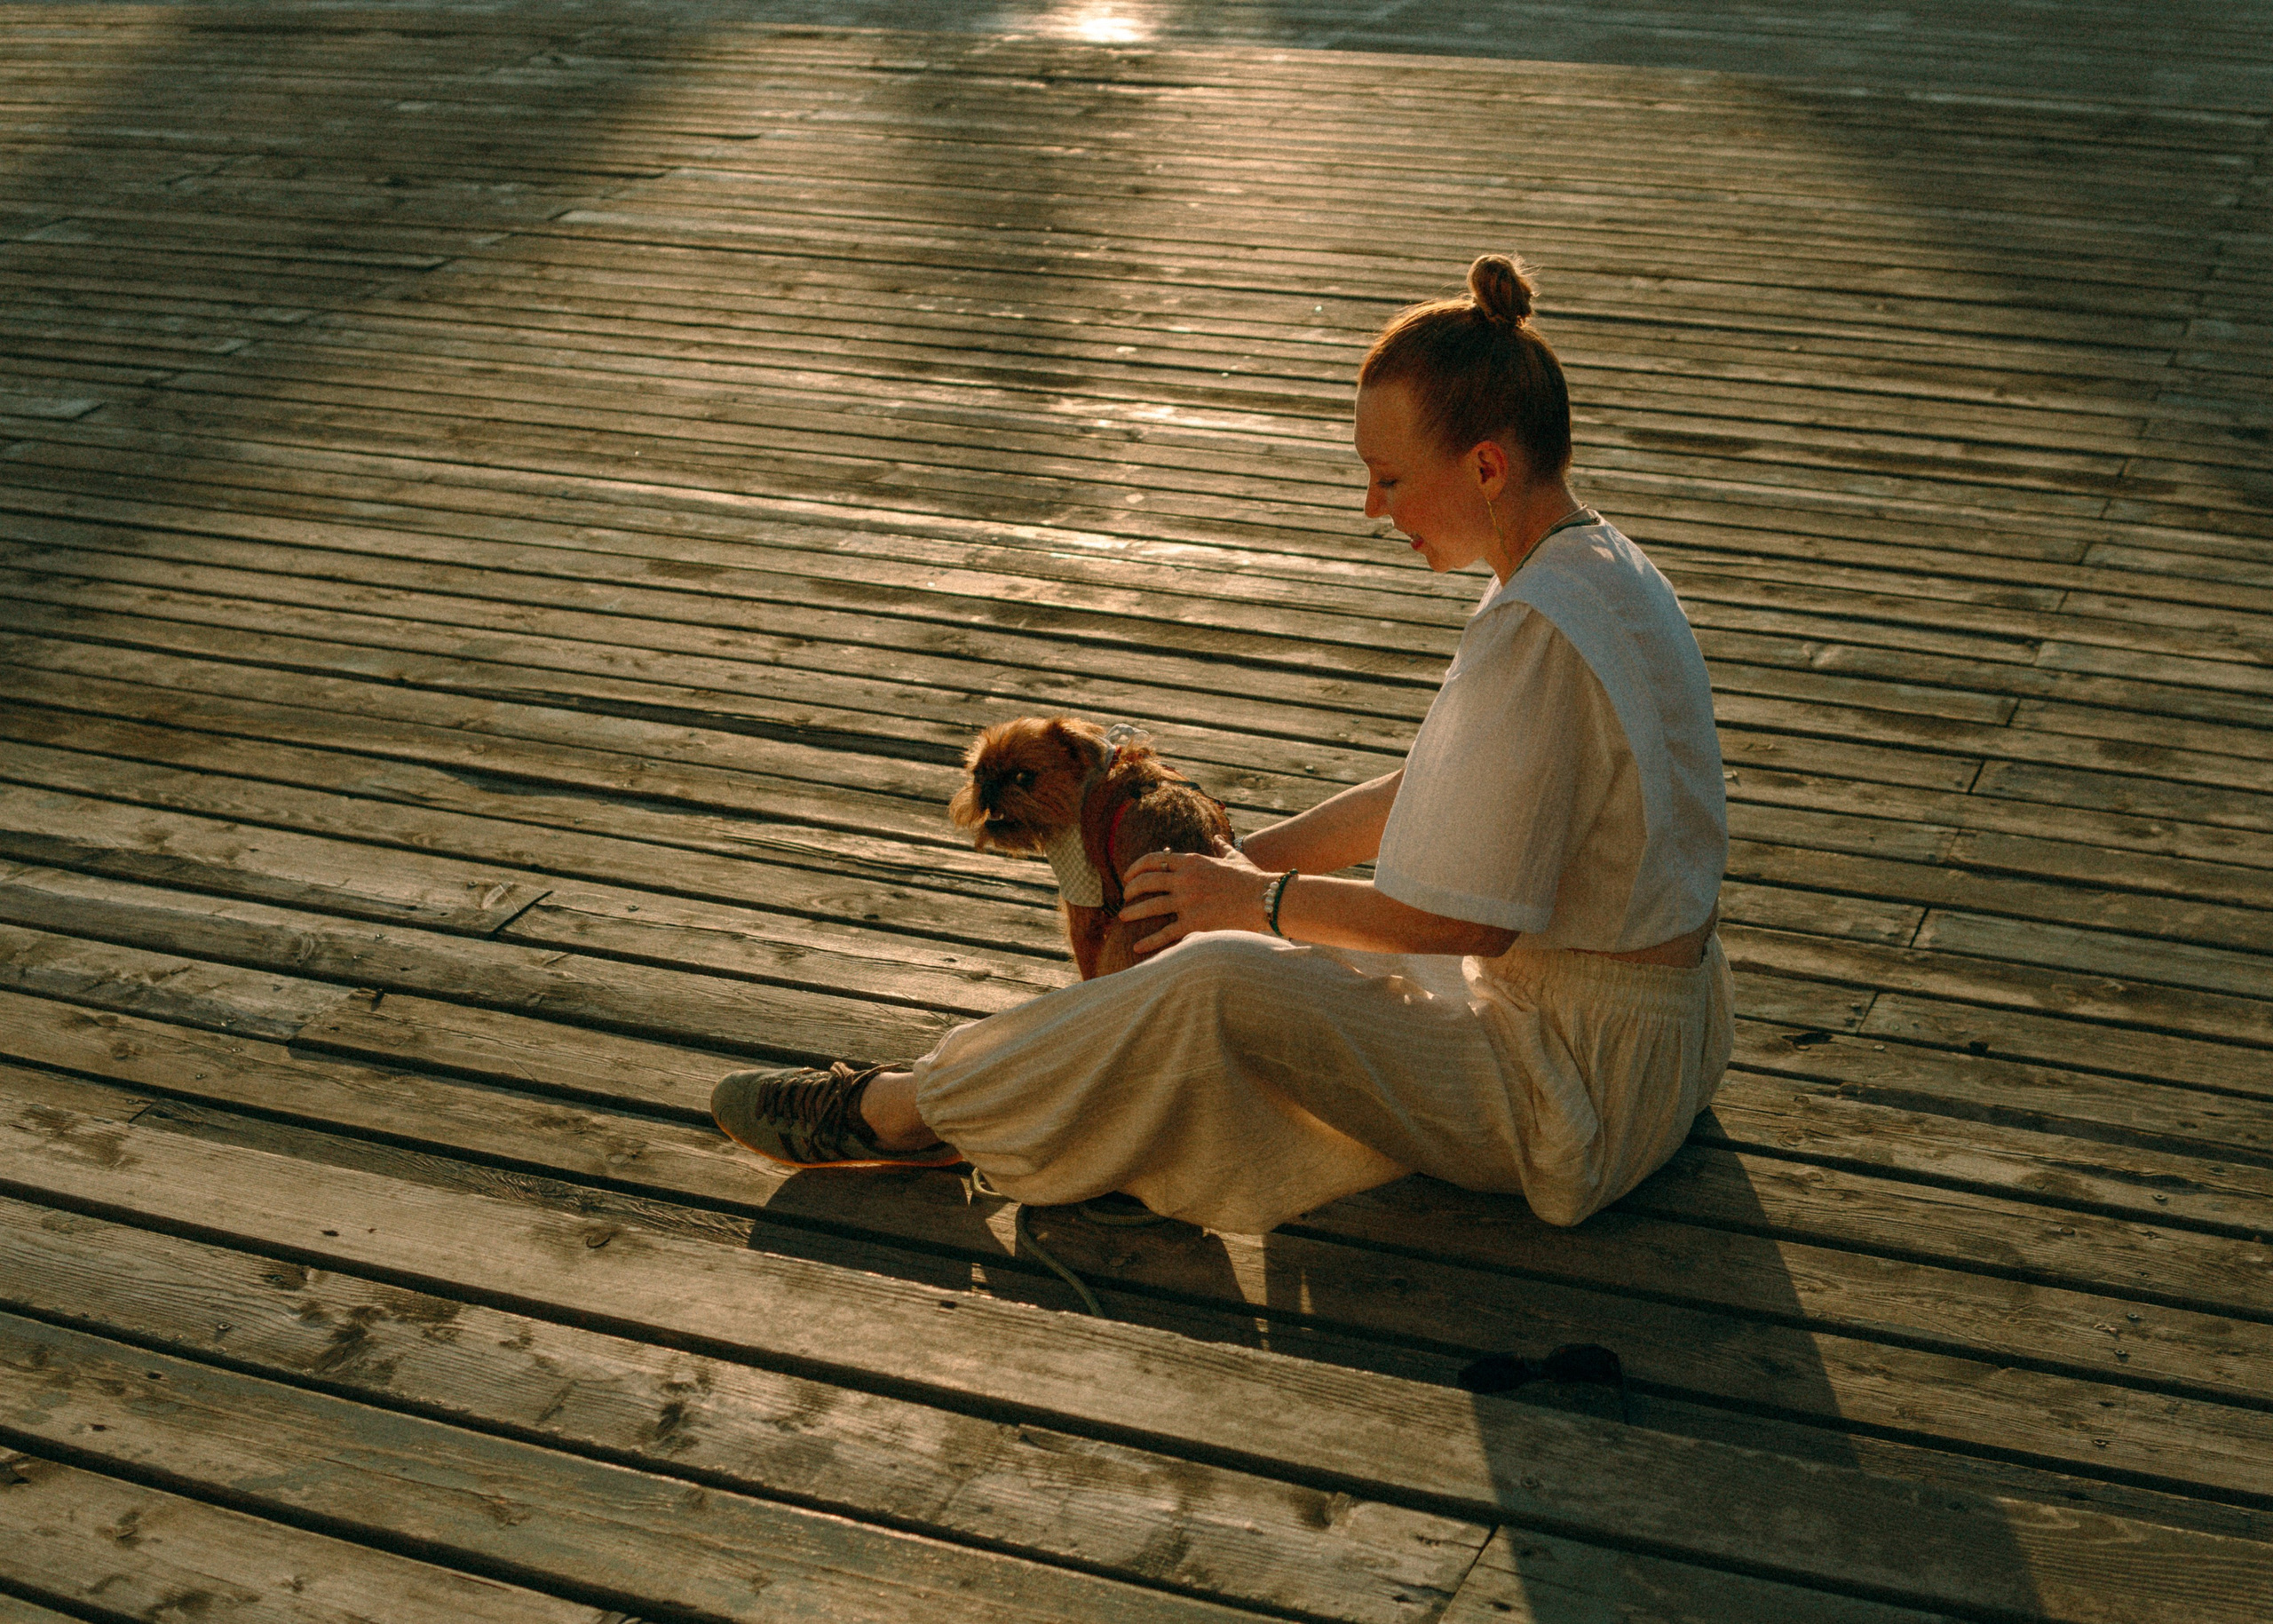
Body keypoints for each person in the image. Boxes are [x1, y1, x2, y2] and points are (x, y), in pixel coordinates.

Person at [711, 252, 1733, 1232]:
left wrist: (1256, 904)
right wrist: (1246, 864)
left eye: (1387, 478)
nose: (1372, 508)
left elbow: (1455, 924)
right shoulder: (1600, 566)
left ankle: (901, 1108)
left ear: (1484, 464)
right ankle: (1025, 1095)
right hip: (1661, 1048)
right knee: (1253, 945)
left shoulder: (1536, 626)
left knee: (1218, 976)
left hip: (1571, 1095)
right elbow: (1427, 790)